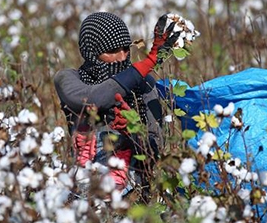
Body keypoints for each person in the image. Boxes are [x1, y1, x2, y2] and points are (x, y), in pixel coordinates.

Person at [54, 12, 177, 201]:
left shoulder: (144, 84)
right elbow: (94, 98)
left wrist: (133, 134)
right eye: (112, 51)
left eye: (125, 49)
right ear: (91, 52)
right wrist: (150, 62)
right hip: (83, 192)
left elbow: (155, 148)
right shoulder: (68, 79)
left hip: (132, 193)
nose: (121, 57)